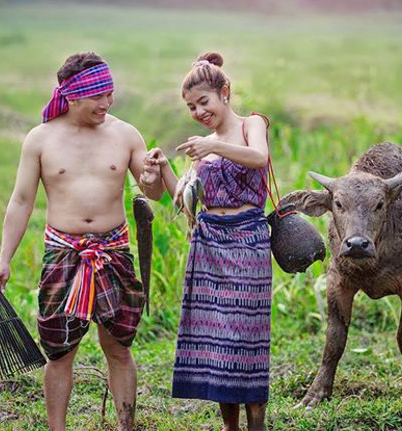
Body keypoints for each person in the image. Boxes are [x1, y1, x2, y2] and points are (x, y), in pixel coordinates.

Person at [0, 52, 165, 431]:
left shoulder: (125, 134)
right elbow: (21, 201)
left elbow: (153, 193)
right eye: (98, 96)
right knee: (59, 351)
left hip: (113, 252)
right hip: (63, 255)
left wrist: (152, 175)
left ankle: (126, 426)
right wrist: (4, 259)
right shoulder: (41, 139)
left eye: (110, 94)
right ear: (73, 96)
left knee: (119, 348)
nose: (107, 103)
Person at [146, 52, 272, 431]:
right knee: (217, 344)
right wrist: (166, 170)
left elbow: (259, 159)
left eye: (204, 102)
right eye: (190, 107)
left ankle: (257, 425)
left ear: (225, 92)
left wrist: (213, 146)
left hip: (247, 242)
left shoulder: (252, 124)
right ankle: (230, 427)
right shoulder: (203, 146)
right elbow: (185, 201)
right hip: (208, 247)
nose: (198, 112)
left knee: (245, 341)